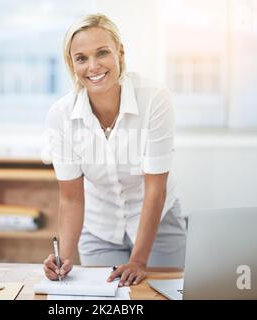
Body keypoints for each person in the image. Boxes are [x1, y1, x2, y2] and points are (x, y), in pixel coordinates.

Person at [43, 13, 187, 287]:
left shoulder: (154, 99)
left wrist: (139, 261)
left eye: (102, 53)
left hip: (159, 226)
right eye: (81, 58)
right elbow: (71, 199)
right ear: (72, 64)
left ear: (120, 53)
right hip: (99, 231)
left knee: (166, 294)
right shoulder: (60, 115)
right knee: (107, 299)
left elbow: (155, 189)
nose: (93, 66)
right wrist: (64, 259)